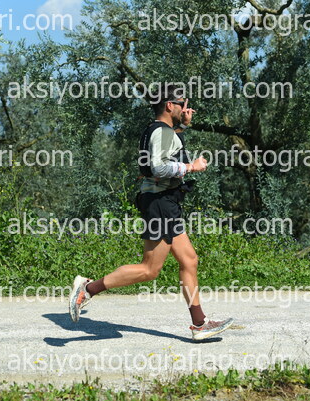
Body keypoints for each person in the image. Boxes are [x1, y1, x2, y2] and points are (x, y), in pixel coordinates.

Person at [69, 85, 233, 341]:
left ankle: (200, 323)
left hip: (165, 202)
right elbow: (158, 167)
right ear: (169, 105)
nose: (186, 108)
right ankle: (88, 289)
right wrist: (191, 167)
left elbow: (167, 149)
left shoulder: (158, 130)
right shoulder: (162, 132)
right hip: (159, 204)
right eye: (182, 104)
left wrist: (184, 125)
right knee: (149, 270)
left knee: (189, 260)